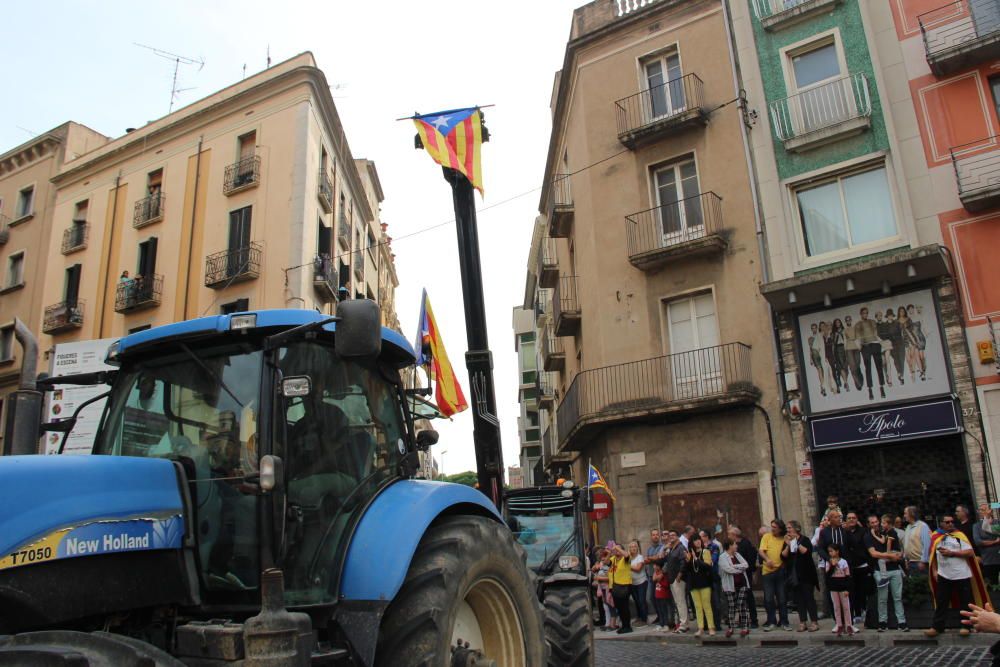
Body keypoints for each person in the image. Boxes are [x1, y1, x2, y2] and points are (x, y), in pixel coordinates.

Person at [925, 514, 988, 638]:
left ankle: (965, 626)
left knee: (965, 601)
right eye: (947, 522)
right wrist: (934, 570)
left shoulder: (959, 535)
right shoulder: (936, 536)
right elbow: (932, 555)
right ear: (941, 523)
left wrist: (952, 553)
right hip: (944, 574)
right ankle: (937, 627)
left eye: (951, 522)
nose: (950, 524)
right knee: (941, 601)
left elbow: (970, 552)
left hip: (961, 574)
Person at [816, 510, 860, 634]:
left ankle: (849, 623)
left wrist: (849, 530)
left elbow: (854, 544)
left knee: (847, 595)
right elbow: (820, 548)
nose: (839, 519)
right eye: (836, 517)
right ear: (830, 519)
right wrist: (829, 559)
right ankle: (838, 623)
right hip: (831, 567)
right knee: (834, 597)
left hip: (845, 565)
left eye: (839, 517)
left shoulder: (845, 530)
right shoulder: (825, 532)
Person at [865, 514, 908, 632]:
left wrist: (896, 556)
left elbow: (899, 551)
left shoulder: (887, 532)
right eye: (872, 522)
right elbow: (874, 554)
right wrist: (890, 556)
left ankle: (902, 622)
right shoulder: (868, 536)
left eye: (876, 522)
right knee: (882, 598)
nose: (875, 524)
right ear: (869, 525)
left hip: (894, 569)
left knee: (897, 597)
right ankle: (882, 622)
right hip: (880, 571)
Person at [783, 520, 819, 632]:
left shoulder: (805, 540)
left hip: (806, 574)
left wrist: (795, 542)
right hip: (795, 576)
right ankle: (802, 622)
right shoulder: (787, 541)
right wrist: (788, 545)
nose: (788, 530)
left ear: (796, 529)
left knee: (809, 598)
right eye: (787, 528)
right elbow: (783, 555)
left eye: (789, 528)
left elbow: (806, 552)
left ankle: (814, 622)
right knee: (799, 600)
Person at [758, 519, 790, 631]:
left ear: (780, 528)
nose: (772, 529)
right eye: (771, 526)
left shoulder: (784, 538)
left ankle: (784, 621)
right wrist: (767, 559)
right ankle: (771, 621)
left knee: (782, 598)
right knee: (769, 598)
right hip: (768, 571)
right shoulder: (766, 536)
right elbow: (761, 551)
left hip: (780, 571)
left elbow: (788, 553)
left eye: (775, 527)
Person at [728, 525, 760, 628]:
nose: (728, 536)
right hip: (736, 575)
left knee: (749, 598)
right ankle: (743, 620)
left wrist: (745, 569)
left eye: (729, 534)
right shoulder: (733, 545)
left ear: (734, 535)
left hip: (745, 575)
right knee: (740, 599)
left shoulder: (745, 544)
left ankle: (754, 620)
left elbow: (750, 560)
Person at [719, 538, 751, 638]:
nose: (736, 546)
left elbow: (746, 565)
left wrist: (734, 566)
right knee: (732, 606)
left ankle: (745, 627)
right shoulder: (722, 557)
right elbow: (728, 569)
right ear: (729, 546)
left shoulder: (737, 555)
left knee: (741, 604)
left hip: (742, 583)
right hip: (729, 585)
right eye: (734, 544)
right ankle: (731, 627)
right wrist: (739, 569)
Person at [843, 511, 870, 627]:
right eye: (849, 518)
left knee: (862, 590)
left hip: (862, 565)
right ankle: (855, 613)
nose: (851, 520)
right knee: (851, 591)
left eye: (853, 518)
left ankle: (864, 610)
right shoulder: (843, 532)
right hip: (849, 566)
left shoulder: (863, 531)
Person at [686, 534, 716, 637]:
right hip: (694, 584)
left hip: (704, 583)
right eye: (695, 540)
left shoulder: (705, 552)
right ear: (692, 543)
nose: (698, 542)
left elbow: (707, 566)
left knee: (706, 605)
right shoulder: (690, 554)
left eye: (699, 540)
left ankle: (711, 627)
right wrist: (688, 560)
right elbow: (688, 569)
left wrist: (696, 559)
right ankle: (700, 628)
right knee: (697, 607)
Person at [855, 306, 886, 400]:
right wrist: (860, 348)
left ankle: (882, 388)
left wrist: (881, 344)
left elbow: (876, 334)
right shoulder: (858, 324)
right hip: (865, 347)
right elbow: (857, 338)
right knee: (868, 368)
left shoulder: (872, 321)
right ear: (861, 314)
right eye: (863, 313)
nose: (865, 314)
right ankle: (870, 390)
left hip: (875, 345)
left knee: (879, 367)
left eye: (866, 313)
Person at [826, 543, 854, 637]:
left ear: (837, 551)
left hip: (843, 587)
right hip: (833, 588)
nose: (830, 553)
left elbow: (848, 576)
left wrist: (847, 588)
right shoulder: (828, 562)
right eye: (829, 551)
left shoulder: (844, 562)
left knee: (846, 607)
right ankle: (839, 625)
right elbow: (828, 575)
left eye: (832, 551)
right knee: (836, 607)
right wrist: (832, 565)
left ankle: (849, 625)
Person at [664, 530, 689, 633]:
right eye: (670, 535)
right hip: (672, 579)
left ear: (678, 537)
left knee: (681, 602)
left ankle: (683, 625)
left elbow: (684, 562)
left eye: (673, 535)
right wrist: (666, 549)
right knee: (678, 602)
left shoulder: (681, 548)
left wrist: (680, 574)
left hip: (678, 579)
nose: (671, 537)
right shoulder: (671, 549)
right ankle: (684, 623)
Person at [609, 542, 634, 634]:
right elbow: (605, 562)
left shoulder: (625, 559)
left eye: (619, 549)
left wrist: (617, 547)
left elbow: (627, 555)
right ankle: (623, 625)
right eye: (615, 549)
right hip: (615, 586)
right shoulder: (613, 559)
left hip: (624, 585)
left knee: (624, 607)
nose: (616, 550)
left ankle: (627, 626)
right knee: (619, 607)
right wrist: (609, 552)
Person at [975, 503, 1000, 587]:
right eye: (981, 510)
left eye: (985, 509)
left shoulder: (998, 523)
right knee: (994, 584)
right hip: (989, 559)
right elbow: (985, 528)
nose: (983, 512)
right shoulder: (977, 526)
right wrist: (995, 542)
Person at [645, 529, 667, 622]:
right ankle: (659, 615)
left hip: (660, 576)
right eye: (653, 535)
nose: (655, 536)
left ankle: (663, 618)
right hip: (650, 576)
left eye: (657, 534)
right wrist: (653, 558)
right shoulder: (649, 549)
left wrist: (651, 558)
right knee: (650, 598)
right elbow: (646, 561)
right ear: (651, 537)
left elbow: (659, 557)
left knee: (661, 598)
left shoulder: (663, 547)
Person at [593, 549, 617, 631]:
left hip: (608, 588)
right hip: (602, 588)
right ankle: (607, 623)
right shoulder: (601, 565)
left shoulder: (610, 565)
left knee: (611, 605)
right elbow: (594, 569)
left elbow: (610, 578)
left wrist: (599, 578)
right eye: (601, 558)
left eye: (604, 558)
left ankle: (613, 624)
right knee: (606, 606)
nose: (603, 560)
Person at [903, 506, 932, 574]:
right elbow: (906, 544)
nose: (904, 516)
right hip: (910, 562)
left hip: (919, 563)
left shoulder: (923, 526)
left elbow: (927, 545)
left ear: (912, 514)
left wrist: (923, 561)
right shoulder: (908, 527)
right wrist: (906, 559)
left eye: (905, 513)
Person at [627, 540, 648, 626]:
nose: (633, 548)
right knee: (637, 601)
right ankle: (639, 617)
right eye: (631, 547)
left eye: (635, 546)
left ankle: (644, 619)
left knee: (642, 601)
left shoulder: (640, 557)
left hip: (641, 582)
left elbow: (638, 569)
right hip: (632, 583)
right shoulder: (628, 558)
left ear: (637, 548)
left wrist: (628, 566)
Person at [652, 563, 675, 631]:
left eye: (656, 565)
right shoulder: (656, 572)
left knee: (664, 610)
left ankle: (666, 624)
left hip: (663, 595)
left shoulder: (664, 574)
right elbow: (654, 579)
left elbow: (665, 584)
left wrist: (659, 578)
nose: (654, 566)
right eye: (654, 565)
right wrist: (657, 576)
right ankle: (661, 623)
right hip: (657, 594)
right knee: (660, 610)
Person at [843, 315, 863, 391]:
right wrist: (845, 350)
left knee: (857, 366)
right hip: (849, 349)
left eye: (849, 320)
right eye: (847, 320)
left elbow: (858, 338)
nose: (848, 321)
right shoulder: (844, 330)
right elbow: (845, 340)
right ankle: (858, 384)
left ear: (851, 320)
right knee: (852, 367)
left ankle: (860, 380)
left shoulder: (855, 328)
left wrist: (859, 346)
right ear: (845, 322)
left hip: (856, 348)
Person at [808, 323, 828, 397]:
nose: (814, 329)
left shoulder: (820, 334)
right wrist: (810, 359)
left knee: (823, 370)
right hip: (815, 353)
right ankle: (823, 387)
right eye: (812, 328)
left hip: (821, 353)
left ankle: (822, 386)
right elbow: (810, 349)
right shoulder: (810, 338)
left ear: (817, 328)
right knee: (819, 370)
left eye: (815, 328)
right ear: (811, 329)